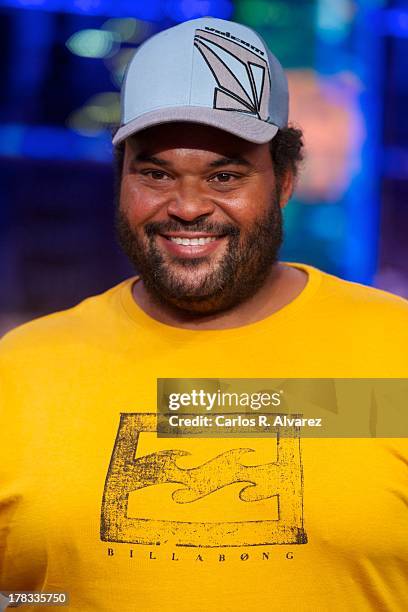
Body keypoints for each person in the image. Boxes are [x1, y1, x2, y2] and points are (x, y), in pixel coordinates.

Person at [1, 16, 408, 612]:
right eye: (156, 172)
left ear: (285, 181)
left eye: (225, 175)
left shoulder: (393, 353)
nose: (188, 207)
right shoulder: (23, 372)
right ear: (121, 183)